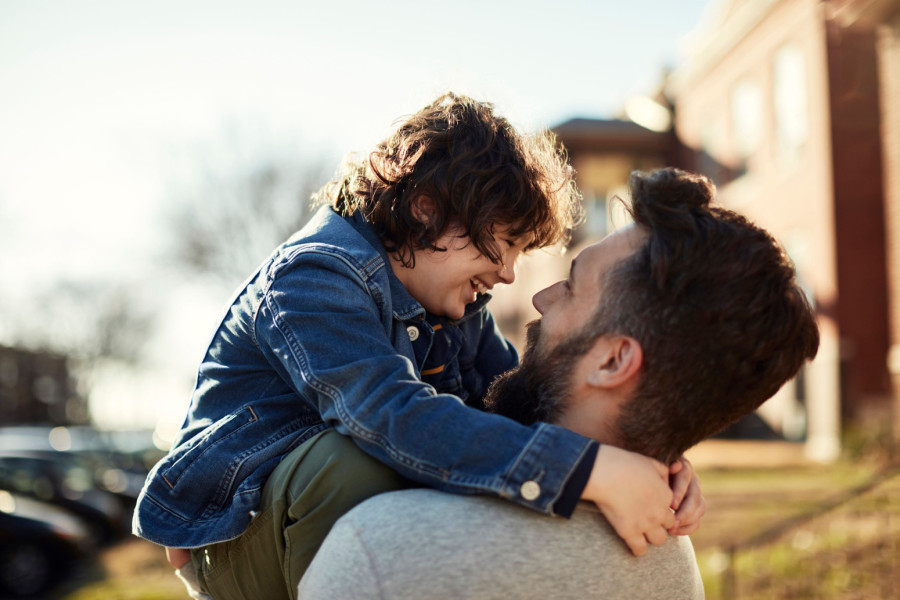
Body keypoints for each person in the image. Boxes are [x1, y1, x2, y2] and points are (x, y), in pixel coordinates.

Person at [132, 96, 703, 599]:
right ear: (425, 208)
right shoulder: (313, 280)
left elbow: (523, 408)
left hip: (339, 530)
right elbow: (391, 417)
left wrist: (649, 461)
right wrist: (587, 473)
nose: (507, 276)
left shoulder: (454, 305)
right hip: (240, 535)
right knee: (354, 460)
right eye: (503, 244)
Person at [297, 167, 821, 600]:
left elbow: (401, 413)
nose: (540, 297)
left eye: (571, 286)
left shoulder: (383, 548)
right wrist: (658, 454)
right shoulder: (670, 562)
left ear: (614, 361)